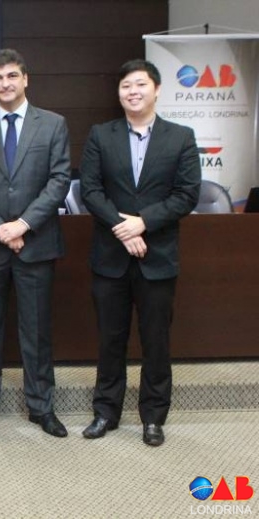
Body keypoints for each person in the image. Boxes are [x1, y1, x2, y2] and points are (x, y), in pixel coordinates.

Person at [79, 59, 201, 447]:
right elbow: (90, 190)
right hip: (110, 258)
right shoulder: (101, 135)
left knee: (156, 341)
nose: (133, 92)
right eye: (126, 86)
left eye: (140, 84)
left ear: (157, 89)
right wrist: (123, 227)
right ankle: (105, 412)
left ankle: (153, 417)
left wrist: (143, 222)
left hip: (157, 257)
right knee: (110, 340)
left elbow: (187, 195)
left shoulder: (181, 137)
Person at [0, 49, 71, 438]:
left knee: (36, 331)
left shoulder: (53, 124)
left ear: (25, 79)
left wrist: (22, 225)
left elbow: (59, 180)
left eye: (11, 76)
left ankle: (42, 407)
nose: (4, 84)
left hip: (36, 245)